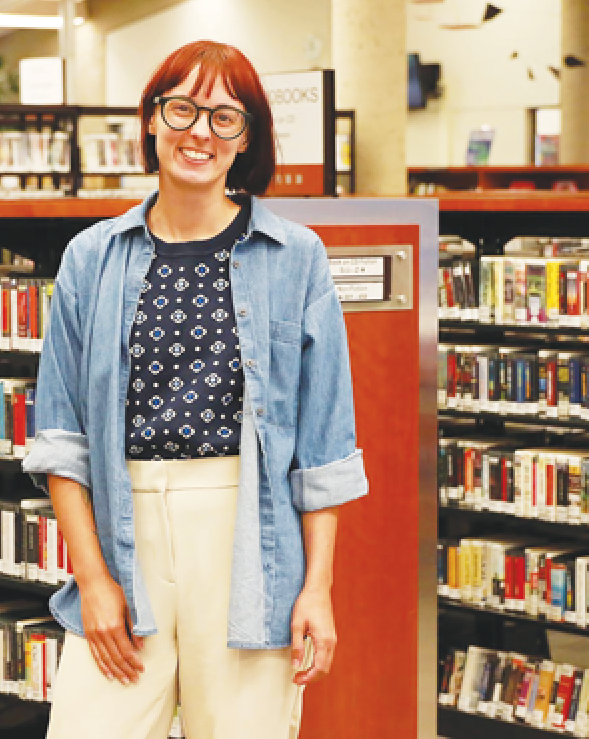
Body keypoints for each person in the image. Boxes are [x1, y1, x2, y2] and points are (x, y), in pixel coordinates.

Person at [23, 40, 368, 739]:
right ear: (151, 120)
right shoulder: (91, 257)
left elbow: (325, 450)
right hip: (125, 532)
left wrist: (317, 589)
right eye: (182, 109)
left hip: (250, 537)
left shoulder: (296, 258)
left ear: (247, 139)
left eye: (224, 117)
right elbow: (62, 442)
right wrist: (92, 582)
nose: (199, 133)